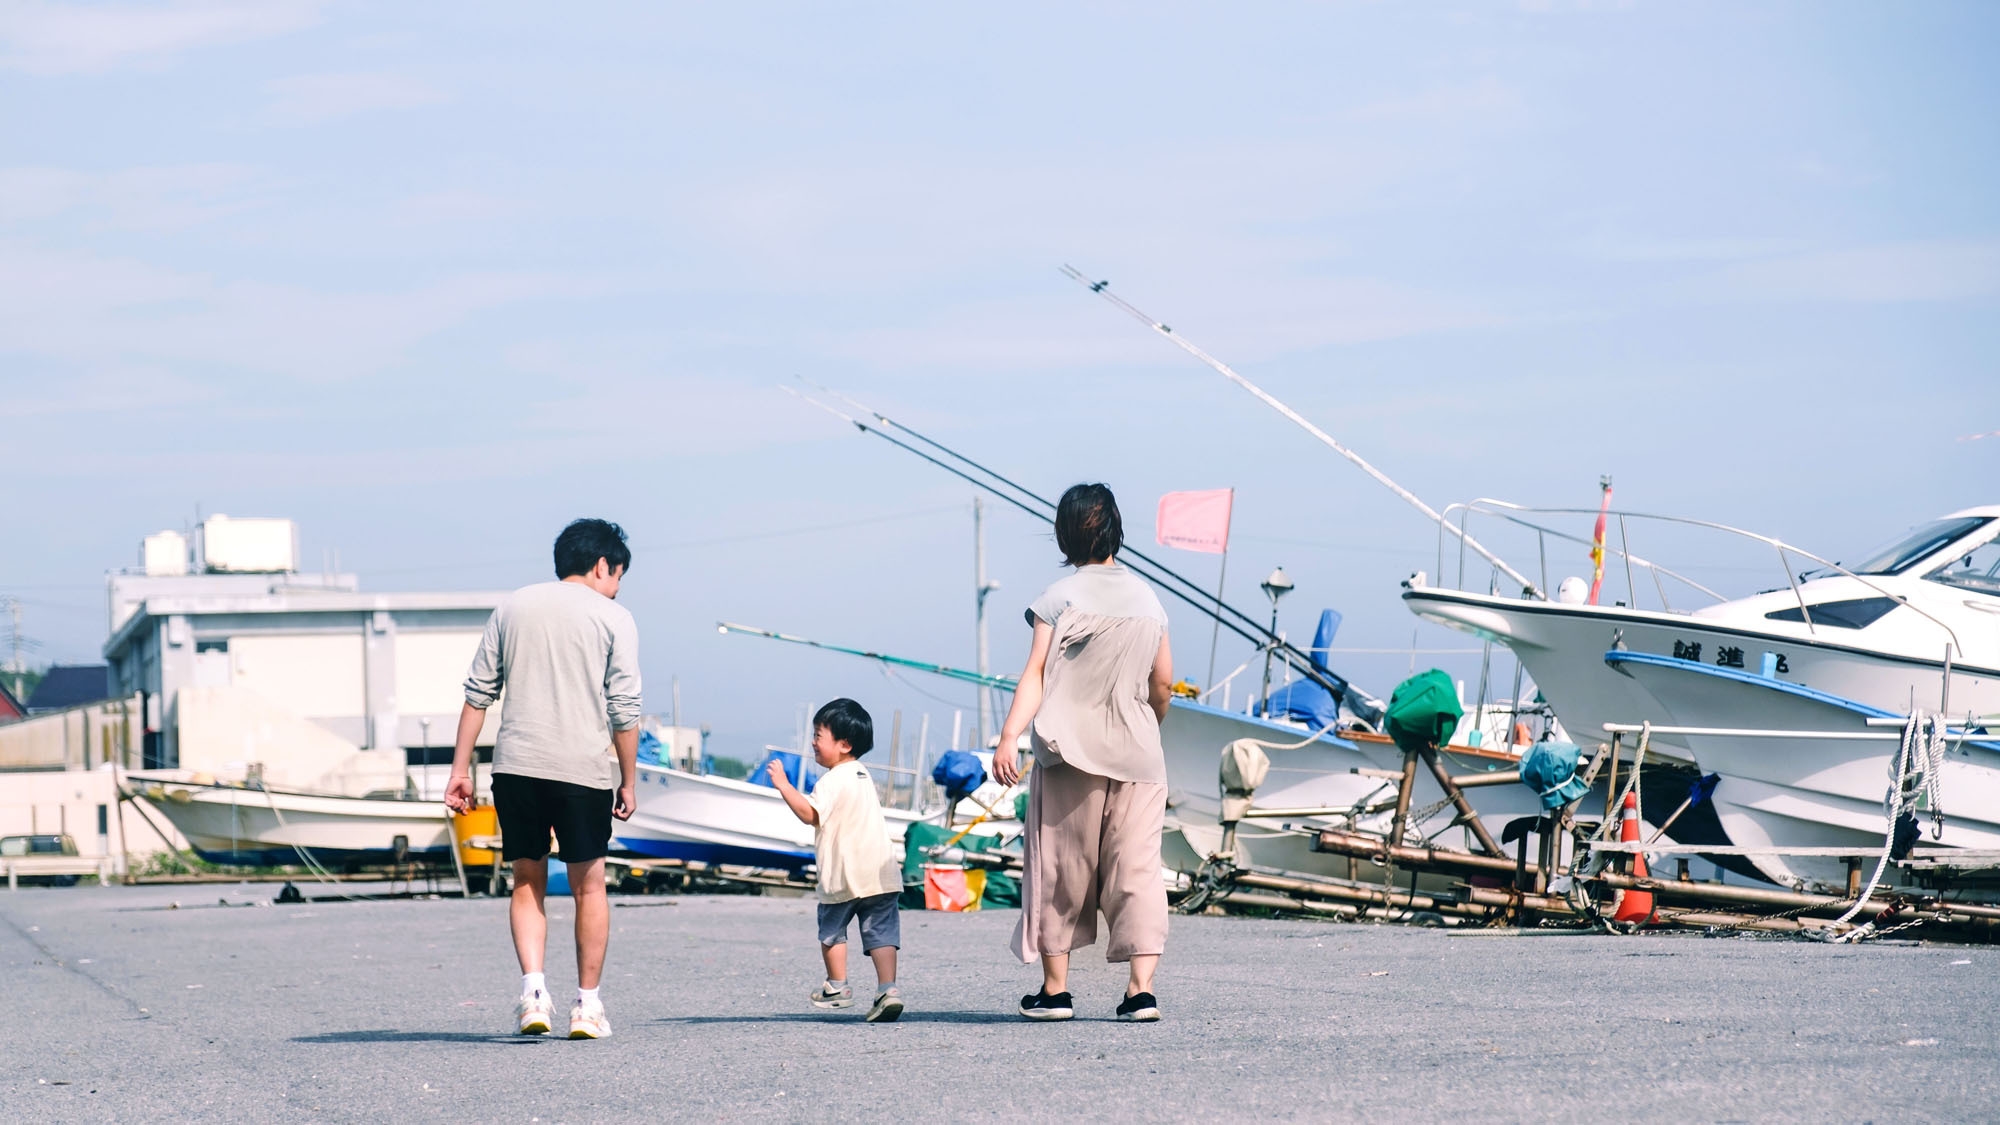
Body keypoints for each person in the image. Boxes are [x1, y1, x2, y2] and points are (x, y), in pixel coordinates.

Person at [445, 518, 642, 1040]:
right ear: (602, 565)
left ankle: (534, 994)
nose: (617, 585)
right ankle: (587, 1006)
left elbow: (476, 695)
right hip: (582, 769)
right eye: (617, 574)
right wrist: (628, 780)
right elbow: (624, 710)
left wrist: (460, 770)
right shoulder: (614, 616)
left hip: (516, 768)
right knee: (589, 884)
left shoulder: (512, 606)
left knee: (526, 880)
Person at [994, 483, 1172, 1023]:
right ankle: (1140, 992)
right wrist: (1144, 726)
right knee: (1137, 869)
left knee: (1062, 868)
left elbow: (1036, 674)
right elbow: (1163, 684)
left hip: (1070, 753)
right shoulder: (1150, 600)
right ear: (1116, 530)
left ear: (1065, 532)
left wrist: (1008, 735)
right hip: (1140, 756)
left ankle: (1056, 993)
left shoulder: (1057, 597)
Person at [768, 698, 906, 1024]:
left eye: (819, 735)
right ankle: (888, 989)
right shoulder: (862, 776)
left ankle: (838, 986)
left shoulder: (832, 779)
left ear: (843, 745)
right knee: (881, 932)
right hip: (880, 873)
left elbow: (809, 814)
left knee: (832, 930)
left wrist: (784, 785)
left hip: (844, 874)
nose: (813, 742)